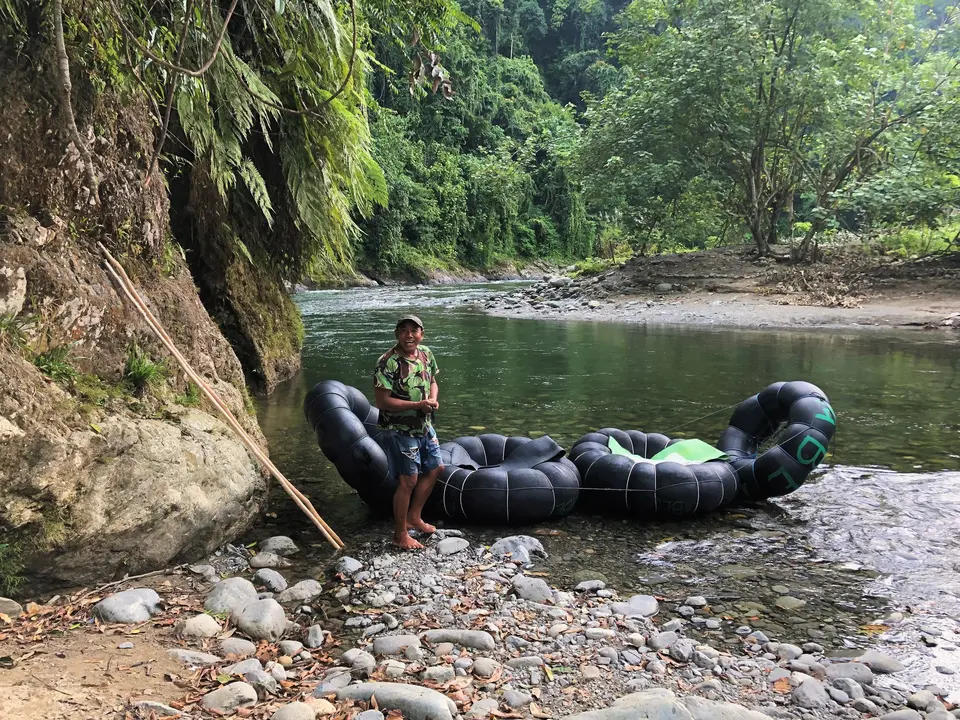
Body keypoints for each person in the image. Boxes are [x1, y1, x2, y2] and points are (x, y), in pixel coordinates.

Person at [373, 315, 444, 550]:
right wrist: (416, 405)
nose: (409, 335)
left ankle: (415, 517)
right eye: (404, 330)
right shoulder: (388, 361)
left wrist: (432, 399)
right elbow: (382, 402)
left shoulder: (426, 354)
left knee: (435, 468)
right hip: (398, 429)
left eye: (414, 330)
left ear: (421, 334)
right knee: (408, 481)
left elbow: (433, 380)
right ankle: (400, 534)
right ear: (397, 335)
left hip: (423, 424)